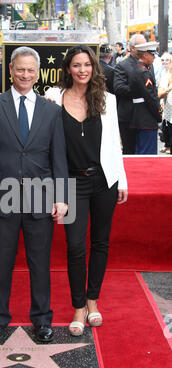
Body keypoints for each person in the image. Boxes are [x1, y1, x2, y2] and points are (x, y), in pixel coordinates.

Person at [0, 46, 68, 343]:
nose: (25, 74)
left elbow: (59, 158)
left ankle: (41, 319)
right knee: (1, 261)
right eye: (20, 69)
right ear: (10, 70)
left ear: (37, 73)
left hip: (41, 198)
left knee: (40, 262)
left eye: (30, 70)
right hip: (2, 197)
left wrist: (62, 196)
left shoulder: (52, 110)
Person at [45, 45, 128, 336]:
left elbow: (115, 142)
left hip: (104, 181)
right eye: (76, 65)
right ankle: (78, 306)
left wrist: (123, 179)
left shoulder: (107, 100)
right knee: (76, 245)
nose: (82, 70)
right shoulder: (54, 99)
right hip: (70, 183)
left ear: (94, 67)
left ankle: (93, 301)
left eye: (87, 65)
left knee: (100, 242)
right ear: (68, 68)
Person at [114, 34, 147, 154]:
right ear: (132, 48)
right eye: (141, 46)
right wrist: (141, 90)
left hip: (145, 116)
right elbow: (119, 88)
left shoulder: (148, 63)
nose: (145, 48)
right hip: (129, 116)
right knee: (130, 151)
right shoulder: (122, 65)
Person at [130, 42, 162, 154]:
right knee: (147, 155)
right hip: (146, 119)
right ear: (144, 55)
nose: (154, 57)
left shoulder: (138, 70)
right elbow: (151, 97)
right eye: (152, 54)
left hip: (140, 117)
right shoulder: (143, 72)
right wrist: (159, 114)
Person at [158, 52, 172, 153]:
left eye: (167, 60)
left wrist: (166, 91)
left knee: (170, 123)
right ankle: (167, 144)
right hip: (165, 99)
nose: (164, 62)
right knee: (165, 123)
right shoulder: (163, 72)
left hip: (170, 100)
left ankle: (170, 145)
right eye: (163, 60)